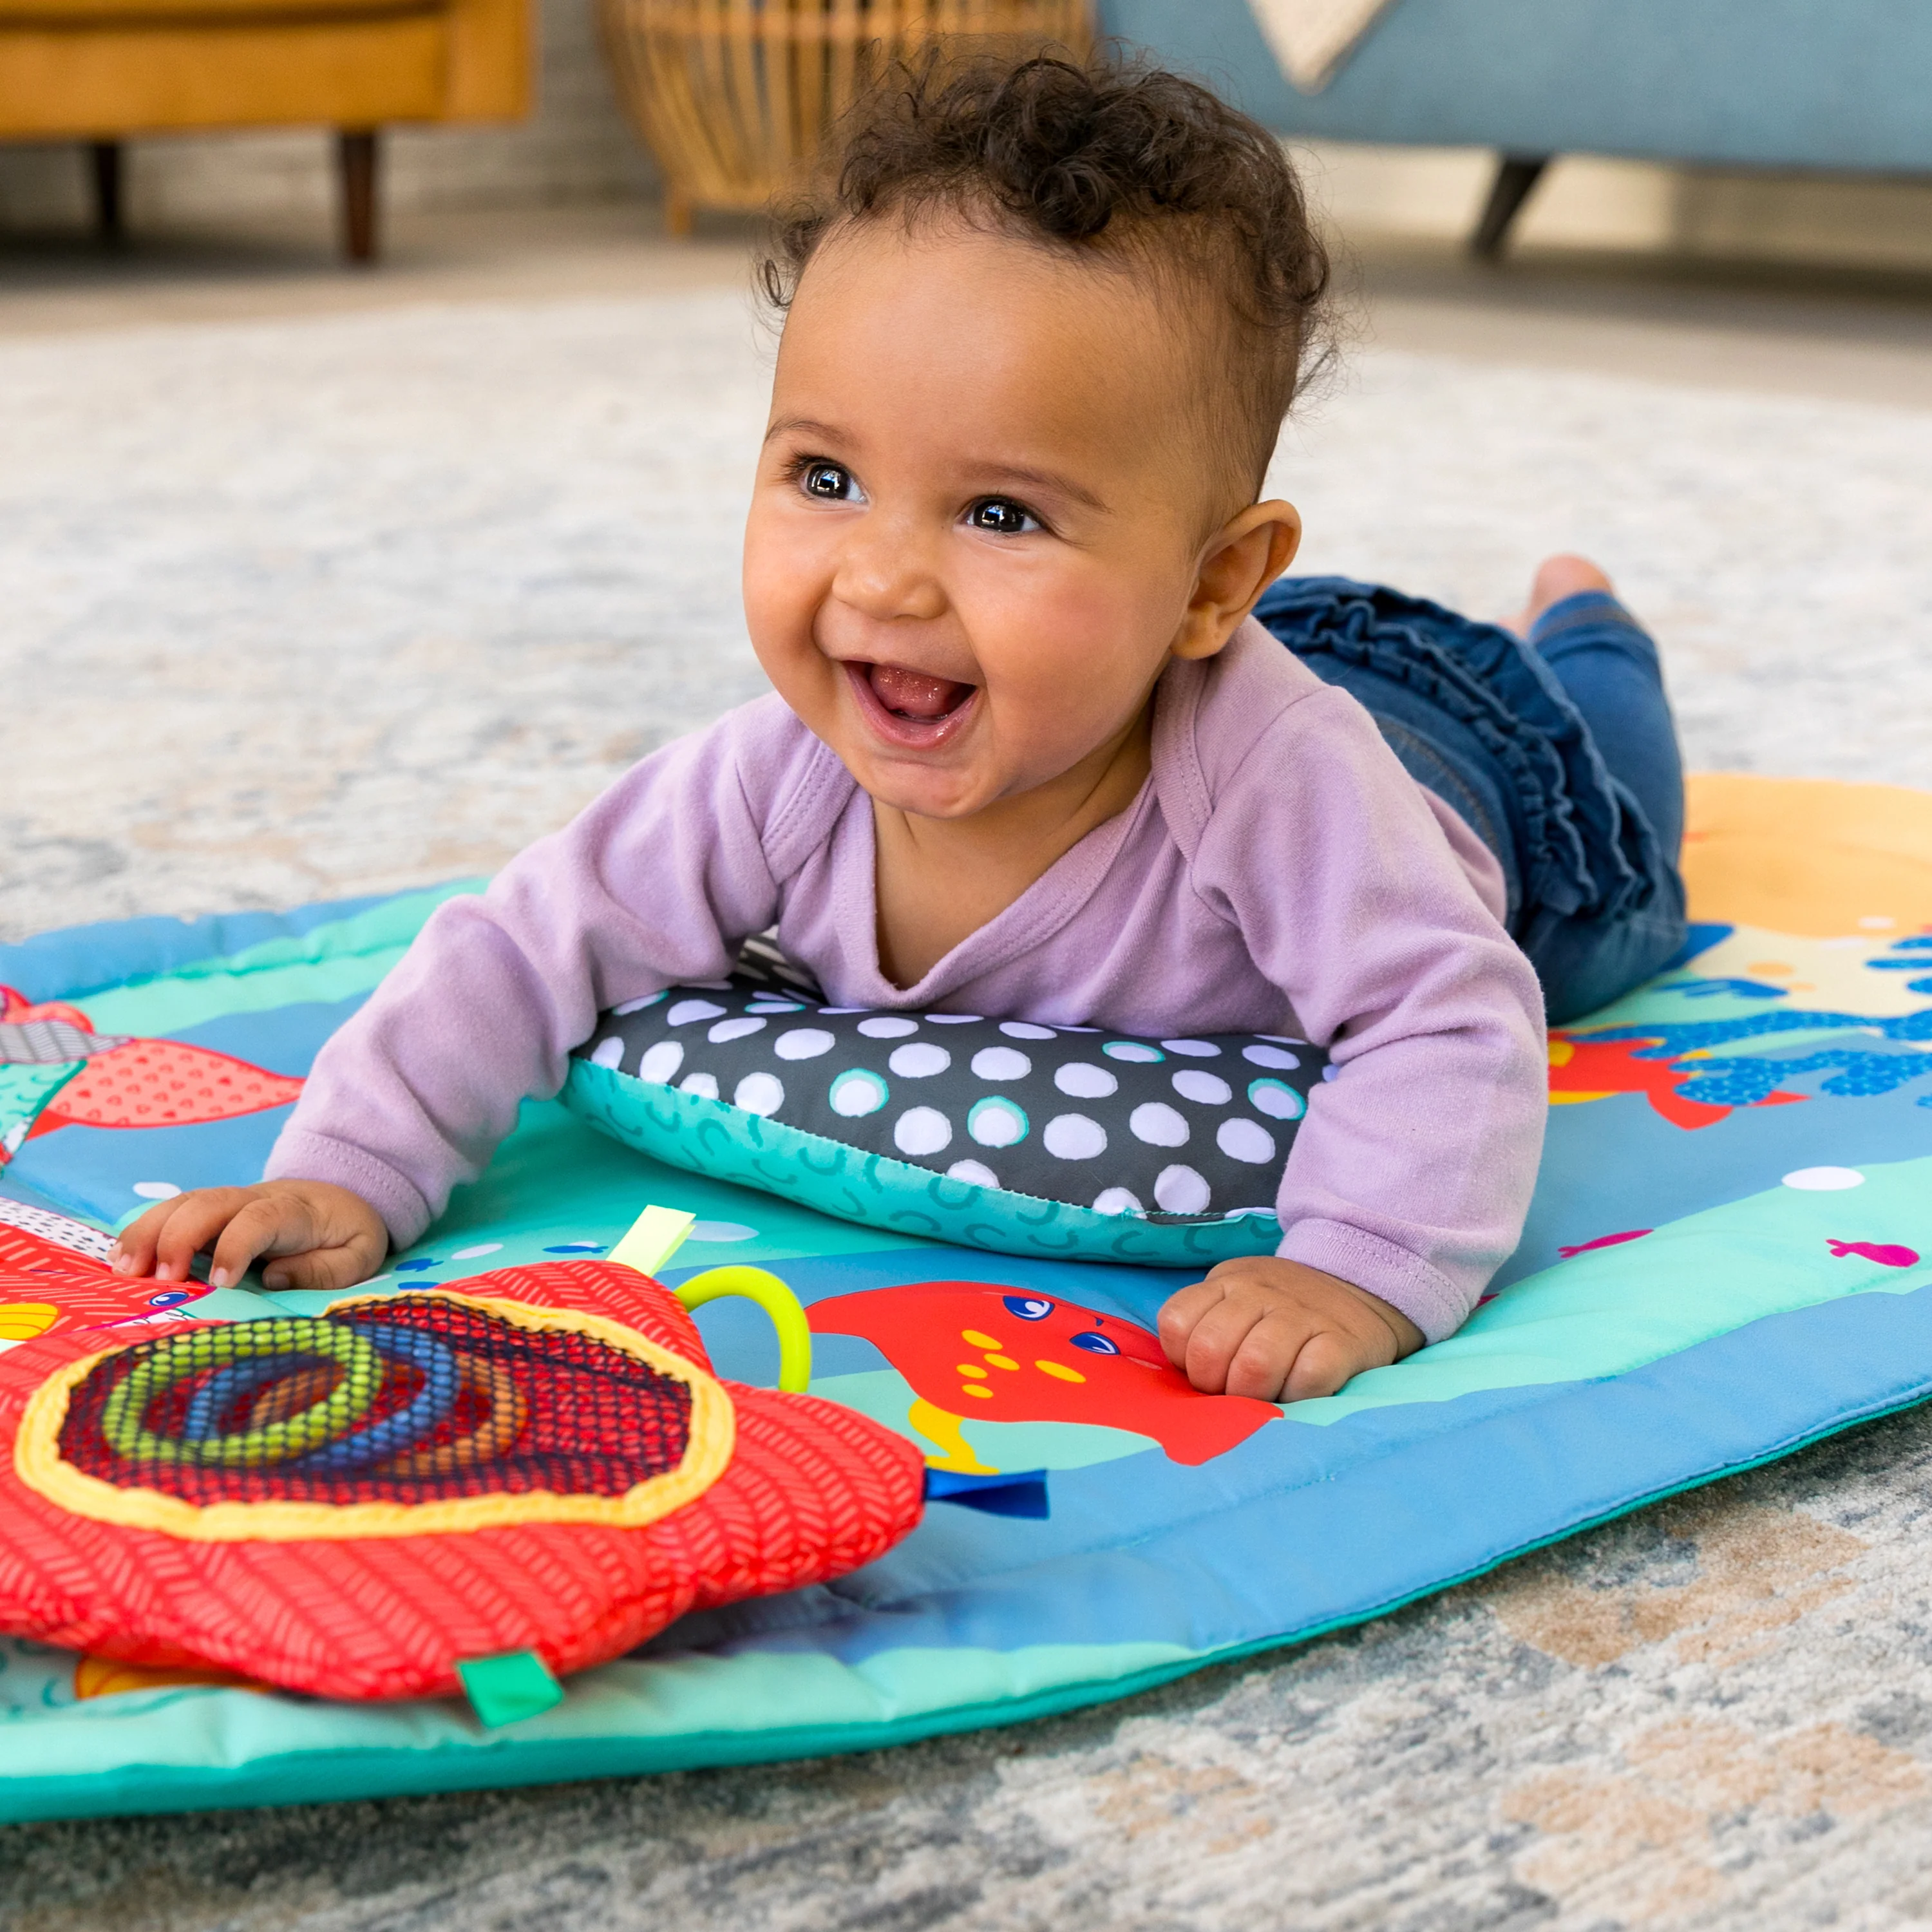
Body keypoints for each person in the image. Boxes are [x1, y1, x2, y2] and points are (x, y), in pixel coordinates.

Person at [110, 53, 1685, 1405]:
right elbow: (526, 943)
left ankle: (1588, 621)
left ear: (1213, 583)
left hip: (1469, 758)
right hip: (1216, 636)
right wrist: (350, 1170)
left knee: (1620, 836)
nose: (881, 577)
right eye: (824, 477)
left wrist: (1357, 1270)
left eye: (999, 511)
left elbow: (1446, 1019)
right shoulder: (772, 778)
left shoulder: (1281, 784)